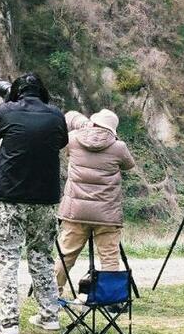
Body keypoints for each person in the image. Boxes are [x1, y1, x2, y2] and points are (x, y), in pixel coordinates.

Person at [0, 73, 69, 334]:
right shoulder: (55, 115)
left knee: (7, 258)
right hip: (46, 198)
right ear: (42, 92)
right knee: (41, 255)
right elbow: (61, 141)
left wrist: (6, 102)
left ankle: (8, 323)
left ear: (17, 92)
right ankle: (50, 316)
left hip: (11, 198)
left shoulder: (8, 110)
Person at [56, 109, 135, 293]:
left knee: (66, 253)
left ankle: (53, 291)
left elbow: (68, 129)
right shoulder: (119, 147)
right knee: (109, 257)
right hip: (106, 214)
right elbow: (129, 165)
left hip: (76, 210)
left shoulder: (73, 139)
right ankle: (109, 297)